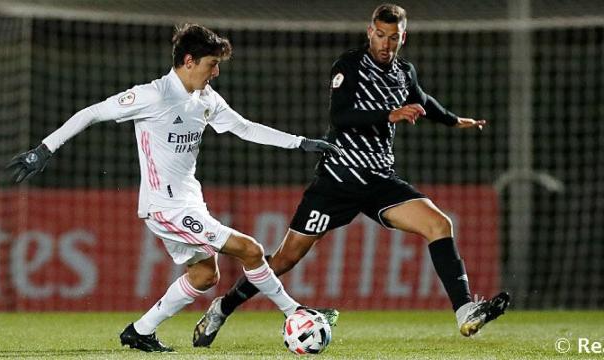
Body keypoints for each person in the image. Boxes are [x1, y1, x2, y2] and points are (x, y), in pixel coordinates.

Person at [7, 23, 341, 353]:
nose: (216, 74)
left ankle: (140, 331)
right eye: (212, 65)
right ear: (189, 61)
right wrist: (44, 149)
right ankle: (294, 311)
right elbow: (92, 113)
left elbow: (243, 127)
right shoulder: (153, 95)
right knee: (251, 250)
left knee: (204, 276)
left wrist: (300, 143)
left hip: (190, 201)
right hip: (164, 207)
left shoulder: (205, 98)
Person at [192, 3, 510, 347]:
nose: (386, 44)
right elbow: (341, 116)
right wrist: (390, 114)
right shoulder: (350, 65)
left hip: (378, 181)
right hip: (337, 181)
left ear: (404, 37)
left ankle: (465, 311)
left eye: (394, 37)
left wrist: (454, 120)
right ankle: (221, 309)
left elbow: (423, 101)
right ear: (369, 31)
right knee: (285, 258)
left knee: (439, 224)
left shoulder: (405, 71)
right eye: (380, 35)